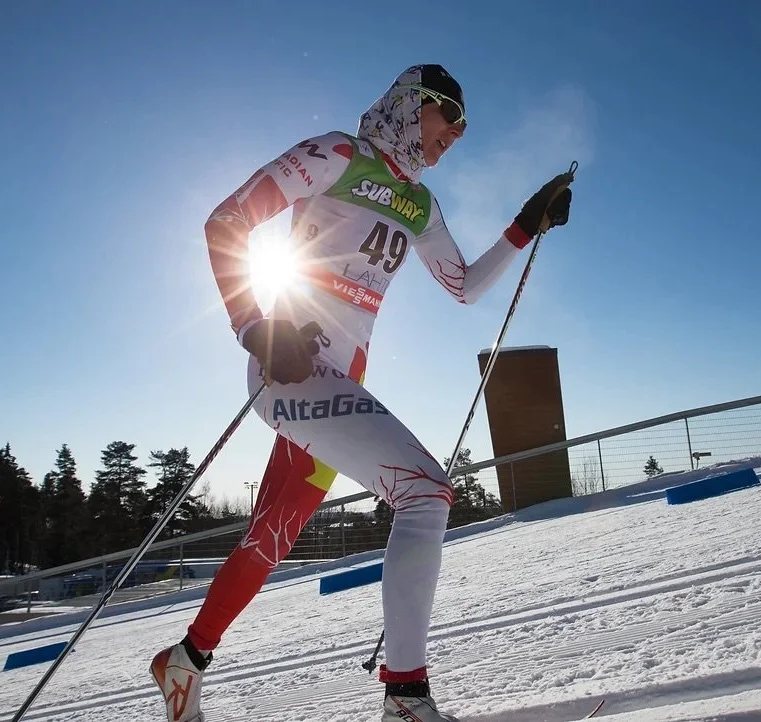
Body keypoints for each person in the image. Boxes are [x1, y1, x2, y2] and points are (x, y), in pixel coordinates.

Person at [149, 64, 574, 722]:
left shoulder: (422, 205)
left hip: (339, 383)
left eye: (465, 126)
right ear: (409, 104)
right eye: (448, 116)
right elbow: (227, 221)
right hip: (287, 367)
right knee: (426, 493)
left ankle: (186, 660)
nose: (457, 134)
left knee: (273, 534)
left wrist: (525, 225)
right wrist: (254, 323)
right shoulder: (338, 154)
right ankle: (405, 696)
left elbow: (462, 286)